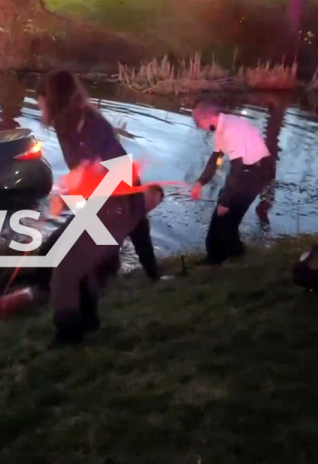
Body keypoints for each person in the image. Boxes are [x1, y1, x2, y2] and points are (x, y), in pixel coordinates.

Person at [35, 69, 163, 346]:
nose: (38, 106)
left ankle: (68, 339)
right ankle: (88, 321)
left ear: (51, 99)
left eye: (40, 100)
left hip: (119, 201)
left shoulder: (86, 123)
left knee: (65, 269)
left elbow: (113, 170)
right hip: (104, 201)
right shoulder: (65, 123)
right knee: (60, 254)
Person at [190, 101, 272, 266]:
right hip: (245, 172)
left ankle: (234, 258)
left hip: (252, 174)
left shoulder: (231, 129)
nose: (197, 126)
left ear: (206, 116)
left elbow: (238, 168)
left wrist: (225, 201)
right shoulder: (222, 126)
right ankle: (217, 256)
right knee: (220, 219)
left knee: (227, 220)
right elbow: (216, 159)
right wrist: (200, 182)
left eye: (197, 122)